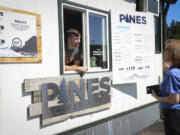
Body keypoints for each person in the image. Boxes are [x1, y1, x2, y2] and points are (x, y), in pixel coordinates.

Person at [152, 39, 180, 135]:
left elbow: (174, 100)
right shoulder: (174, 70)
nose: (163, 52)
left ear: (173, 52)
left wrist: (157, 97)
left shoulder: (172, 73)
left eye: (165, 49)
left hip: (173, 114)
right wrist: (167, 71)